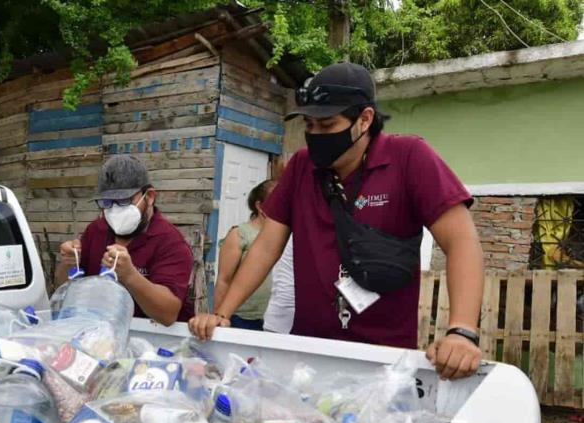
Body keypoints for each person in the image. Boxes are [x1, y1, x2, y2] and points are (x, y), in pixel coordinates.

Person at [189, 62, 485, 380]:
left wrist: (462, 331)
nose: (315, 136)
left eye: (327, 125)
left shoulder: (409, 158)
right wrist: (223, 313)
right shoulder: (302, 168)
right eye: (309, 126)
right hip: (310, 358)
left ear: (365, 119)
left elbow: (462, 242)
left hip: (382, 363)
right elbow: (265, 247)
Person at [55, 155, 195, 325]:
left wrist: (130, 276)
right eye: (108, 202)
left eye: (124, 201)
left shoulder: (170, 242)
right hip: (99, 332)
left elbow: (167, 314)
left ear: (149, 197)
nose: (114, 211)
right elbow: (63, 288)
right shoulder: (96, 230)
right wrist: (68, 263)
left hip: (153, 339)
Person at [214, 180, 278, 331]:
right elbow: (223, 280)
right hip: (240, 318)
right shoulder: (240, 234)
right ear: (259, 205)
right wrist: (219, 318)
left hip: (269, 318)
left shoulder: (281, 237)